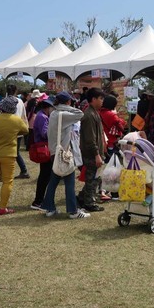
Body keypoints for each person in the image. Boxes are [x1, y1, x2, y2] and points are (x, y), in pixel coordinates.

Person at [42, 91, 90, 219]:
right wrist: (67, 106)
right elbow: (80, 113)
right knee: (69, 183)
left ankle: (49, 208)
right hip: (64, 153)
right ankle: (73, 211)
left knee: (53, 181)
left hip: (54, 152)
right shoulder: (63, 114)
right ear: (68, 102)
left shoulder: (53, 113)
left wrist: (62, 106)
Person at [0, 96, 29, 216]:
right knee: (7, 181)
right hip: (9, 154)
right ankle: (3, 208)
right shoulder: (16, 120)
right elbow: (26, 130)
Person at [77, 87, 106, 212]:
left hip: (95, 152)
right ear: (93, 99)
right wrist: (96, 154)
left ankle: (83, 197)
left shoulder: (94, 113)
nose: (102, 101)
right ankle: (88, 202)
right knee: (92, 178)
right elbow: (90, 138)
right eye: (100, 98)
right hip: (91, 153)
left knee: (95, 177)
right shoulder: (89, 115)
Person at [30, 99, 55, 211]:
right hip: (44, 148)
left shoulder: (41, 116)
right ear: (47, 108)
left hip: (43, 147)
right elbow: (45, 134)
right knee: (45, 176)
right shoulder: (43, 117)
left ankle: (39, 200)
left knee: (45, 176)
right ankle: (38, 201)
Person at [6, 84, 30, 179]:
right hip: (18, 130)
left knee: (10, 152)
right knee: (15, 152)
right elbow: (24, 116)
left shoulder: (6, 101)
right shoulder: (20, 101)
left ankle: (22, 171)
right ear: (16, 91)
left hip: (9, 130)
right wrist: (25, 128)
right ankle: (23, 171)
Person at [99, 95, 127, 161]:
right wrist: (123, 130)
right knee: (112, 159)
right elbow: (119, 125)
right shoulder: (111, 115)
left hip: (103, 138)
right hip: (111, 139)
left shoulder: (99, 112)